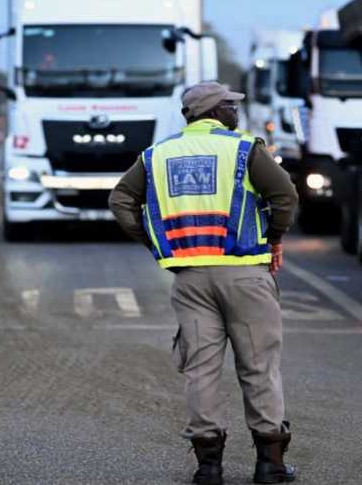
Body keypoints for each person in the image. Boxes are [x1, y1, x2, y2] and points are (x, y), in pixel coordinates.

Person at [109, 82, 299, 485]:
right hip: (245, 272)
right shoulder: (245, 149)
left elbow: (120, 201)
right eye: (231, 106)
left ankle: (208, 467)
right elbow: (284, 194)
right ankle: (270, 465)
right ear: (217, 111)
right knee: (259, 367)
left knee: (201, 370)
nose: (236, 112)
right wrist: (275, 238)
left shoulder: (155, 156)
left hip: (190, 277)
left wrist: (157, 243)